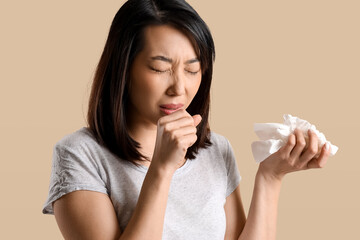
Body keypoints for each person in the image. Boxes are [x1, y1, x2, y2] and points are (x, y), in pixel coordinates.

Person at [42, 0, 331, 239]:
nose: (179, 88)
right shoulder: (79, 154)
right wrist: (162, 168)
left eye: (192, 70)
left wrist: (271, 176)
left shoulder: (216, 148)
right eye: (159, 68)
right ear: (123, 69)